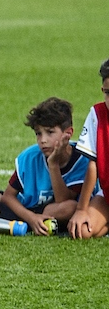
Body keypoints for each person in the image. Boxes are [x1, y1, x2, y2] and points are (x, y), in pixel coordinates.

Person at [0, 97, 88, 236]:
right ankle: (30, 225)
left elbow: (63, 201)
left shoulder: (81, 159)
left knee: (71, 207)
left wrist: (53, 165)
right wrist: (30, 218)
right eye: (38, 133)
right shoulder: (30, 156)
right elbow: (8, 197)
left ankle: (7, 223)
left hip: (49, 210)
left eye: (50, 132)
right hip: (21, 206)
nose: (43, 140)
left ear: (68, 133)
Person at [66, 59, 109, 239]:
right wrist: (81, 209)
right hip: (107, 194)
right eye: (108, 93)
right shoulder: (97, 115)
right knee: (82, 231)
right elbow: (93, 165)